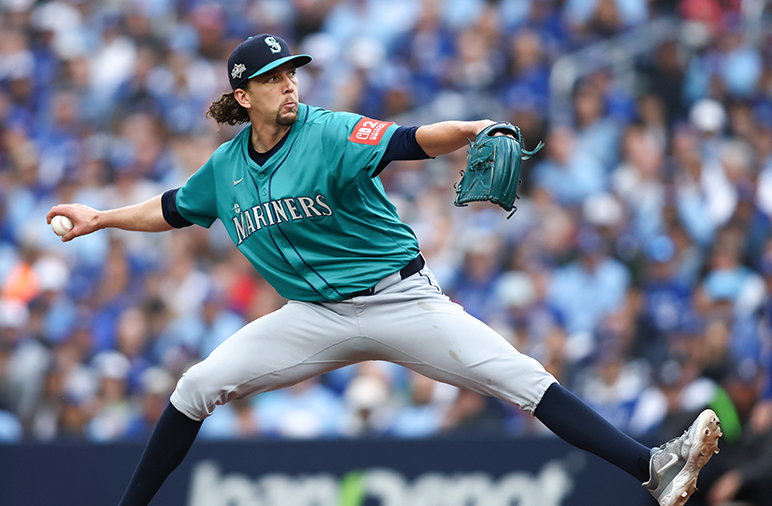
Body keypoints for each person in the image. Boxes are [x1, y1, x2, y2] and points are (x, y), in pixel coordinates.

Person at [47, 34, 722, 506]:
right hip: (312, 317)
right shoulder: (226, 169)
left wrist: (469, 129)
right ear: (243, 95)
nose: (289, 83)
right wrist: (102, 217)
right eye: (273, 77)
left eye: (291, 72)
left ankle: (654, 466)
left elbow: (408, 140)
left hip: (399, 299)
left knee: (521, 377)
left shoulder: (328, 130)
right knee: (197, 384)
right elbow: (172, 207)